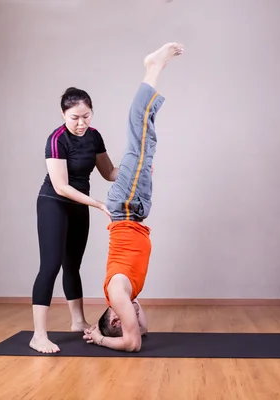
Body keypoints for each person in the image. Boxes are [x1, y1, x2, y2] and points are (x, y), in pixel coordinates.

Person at [82, 41, 184, 352]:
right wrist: (131, 323)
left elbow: (134, 342)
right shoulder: (127, 294)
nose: (138, 319)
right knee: (146, 141)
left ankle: (153, 67)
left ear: (115, 320)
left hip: (126, 207)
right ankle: (153, 69)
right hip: (135, 207)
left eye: (128, 320)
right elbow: (144, 330)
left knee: (140, 130)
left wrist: (99, 338)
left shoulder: (117, 293)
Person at [30, 87, 118, 354]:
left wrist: (137, 167)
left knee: (73, 265)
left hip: (80, 206)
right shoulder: (56, 139)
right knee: (51, 266)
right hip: (54, 203)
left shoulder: (94, 137)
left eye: (86, 116)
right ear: (63, 114)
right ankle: (39, 335)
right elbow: (61, 187)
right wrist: (99, 204)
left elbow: (110, 172)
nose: (81, 123)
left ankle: (78, 322)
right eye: (74, 117)